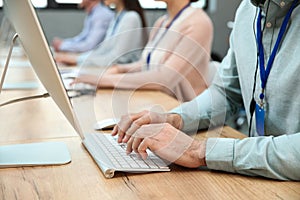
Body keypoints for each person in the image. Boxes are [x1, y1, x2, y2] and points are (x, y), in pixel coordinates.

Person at [111, 0, 300, 181]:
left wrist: (200, 151)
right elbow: (226, 92)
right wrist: (175, 118)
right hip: (255, 172)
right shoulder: (248, 11)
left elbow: (164, 77)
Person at [72, 0, 214, 102]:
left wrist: (103, 80)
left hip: (183, 109)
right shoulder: (162, 22)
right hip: (157, 100)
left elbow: (164, 78)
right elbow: (146, 63)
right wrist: (118, 69)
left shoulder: (198, 22)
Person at [55, 0, 147, 67]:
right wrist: (75, 58)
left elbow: (117, 59)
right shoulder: (117, 17)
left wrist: (76, 59)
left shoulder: (131, 18)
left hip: (123, 75)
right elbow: (102, 50)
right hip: (113, 71)